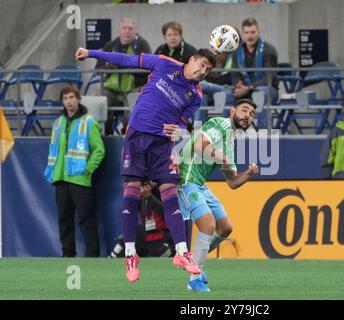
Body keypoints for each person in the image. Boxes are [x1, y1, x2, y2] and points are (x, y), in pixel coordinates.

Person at [75, 45, 216, 283]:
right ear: (191, 60)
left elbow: (182, 124)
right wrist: (91, 53)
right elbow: (126, 59)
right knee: (131, 192)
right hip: (137, 136)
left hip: (163, 145)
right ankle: (130, 254)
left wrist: (179, 130)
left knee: (171, 194)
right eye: (202, 65)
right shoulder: (164, 63)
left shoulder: (197, 95)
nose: (203, 71)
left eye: (208, 69)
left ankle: (183, 253)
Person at [177, 99, 259, 292]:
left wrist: (248, 173)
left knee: (225, 228)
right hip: (185, 180)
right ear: (232, 112)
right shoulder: (221, 124)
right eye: (244, 110)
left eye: (252, 114)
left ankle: (195, 261)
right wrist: (222, 157)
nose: (248, 115)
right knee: (208, 225)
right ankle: (195, 277)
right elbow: (198, 145)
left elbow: (232, 182)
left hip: (199, 185)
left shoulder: (230, 142)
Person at [44, 86, 105, 257]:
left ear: (78, 99)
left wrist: (87, 170)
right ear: (62, 102)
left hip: (80, 180)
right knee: (64, 220)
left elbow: (99, 150)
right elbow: (53, 150)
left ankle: (92, 256)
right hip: (61, 179)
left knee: (86, 220)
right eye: (65, 98)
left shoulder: (89, 122)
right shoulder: (58, 124)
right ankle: (67, 254)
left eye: (72, 97)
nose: (69, 101)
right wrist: (52, 172)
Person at [95, 18, 151, 135]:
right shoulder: (110, 46)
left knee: (133, 100)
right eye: (124, 28)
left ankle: (127, 135)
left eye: (130, 29)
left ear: (135, 31)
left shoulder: (142, 45)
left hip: (135, 88)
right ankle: (102, 133)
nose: (127, 31)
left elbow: (148, 68)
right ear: (119, 30)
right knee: (100, 99)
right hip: (113, 89)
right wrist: (108, 67)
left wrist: (125, 64)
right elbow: (98, 68)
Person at [109, 181, 175, 258]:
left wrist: (149, 197)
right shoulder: (141, 194)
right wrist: (130, 193)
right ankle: (109, 261)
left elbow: (168, 213)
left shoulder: (164, 190)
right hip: (146, 237)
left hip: (163, 238)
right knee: (126, 240)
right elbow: (130, 212)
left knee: (160, 252)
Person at [231, 18, 279, 104]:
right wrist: (238, 84)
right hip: (244, 89)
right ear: (242, 34)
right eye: (246, 33)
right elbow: (234, 74)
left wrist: (250, 87)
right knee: (225, 95)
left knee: (260, 94)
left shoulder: (269, 50)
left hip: (267, 89)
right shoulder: (236, 51)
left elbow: (269, 77)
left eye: (253, 32)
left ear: (258, 32)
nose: (249, 36)